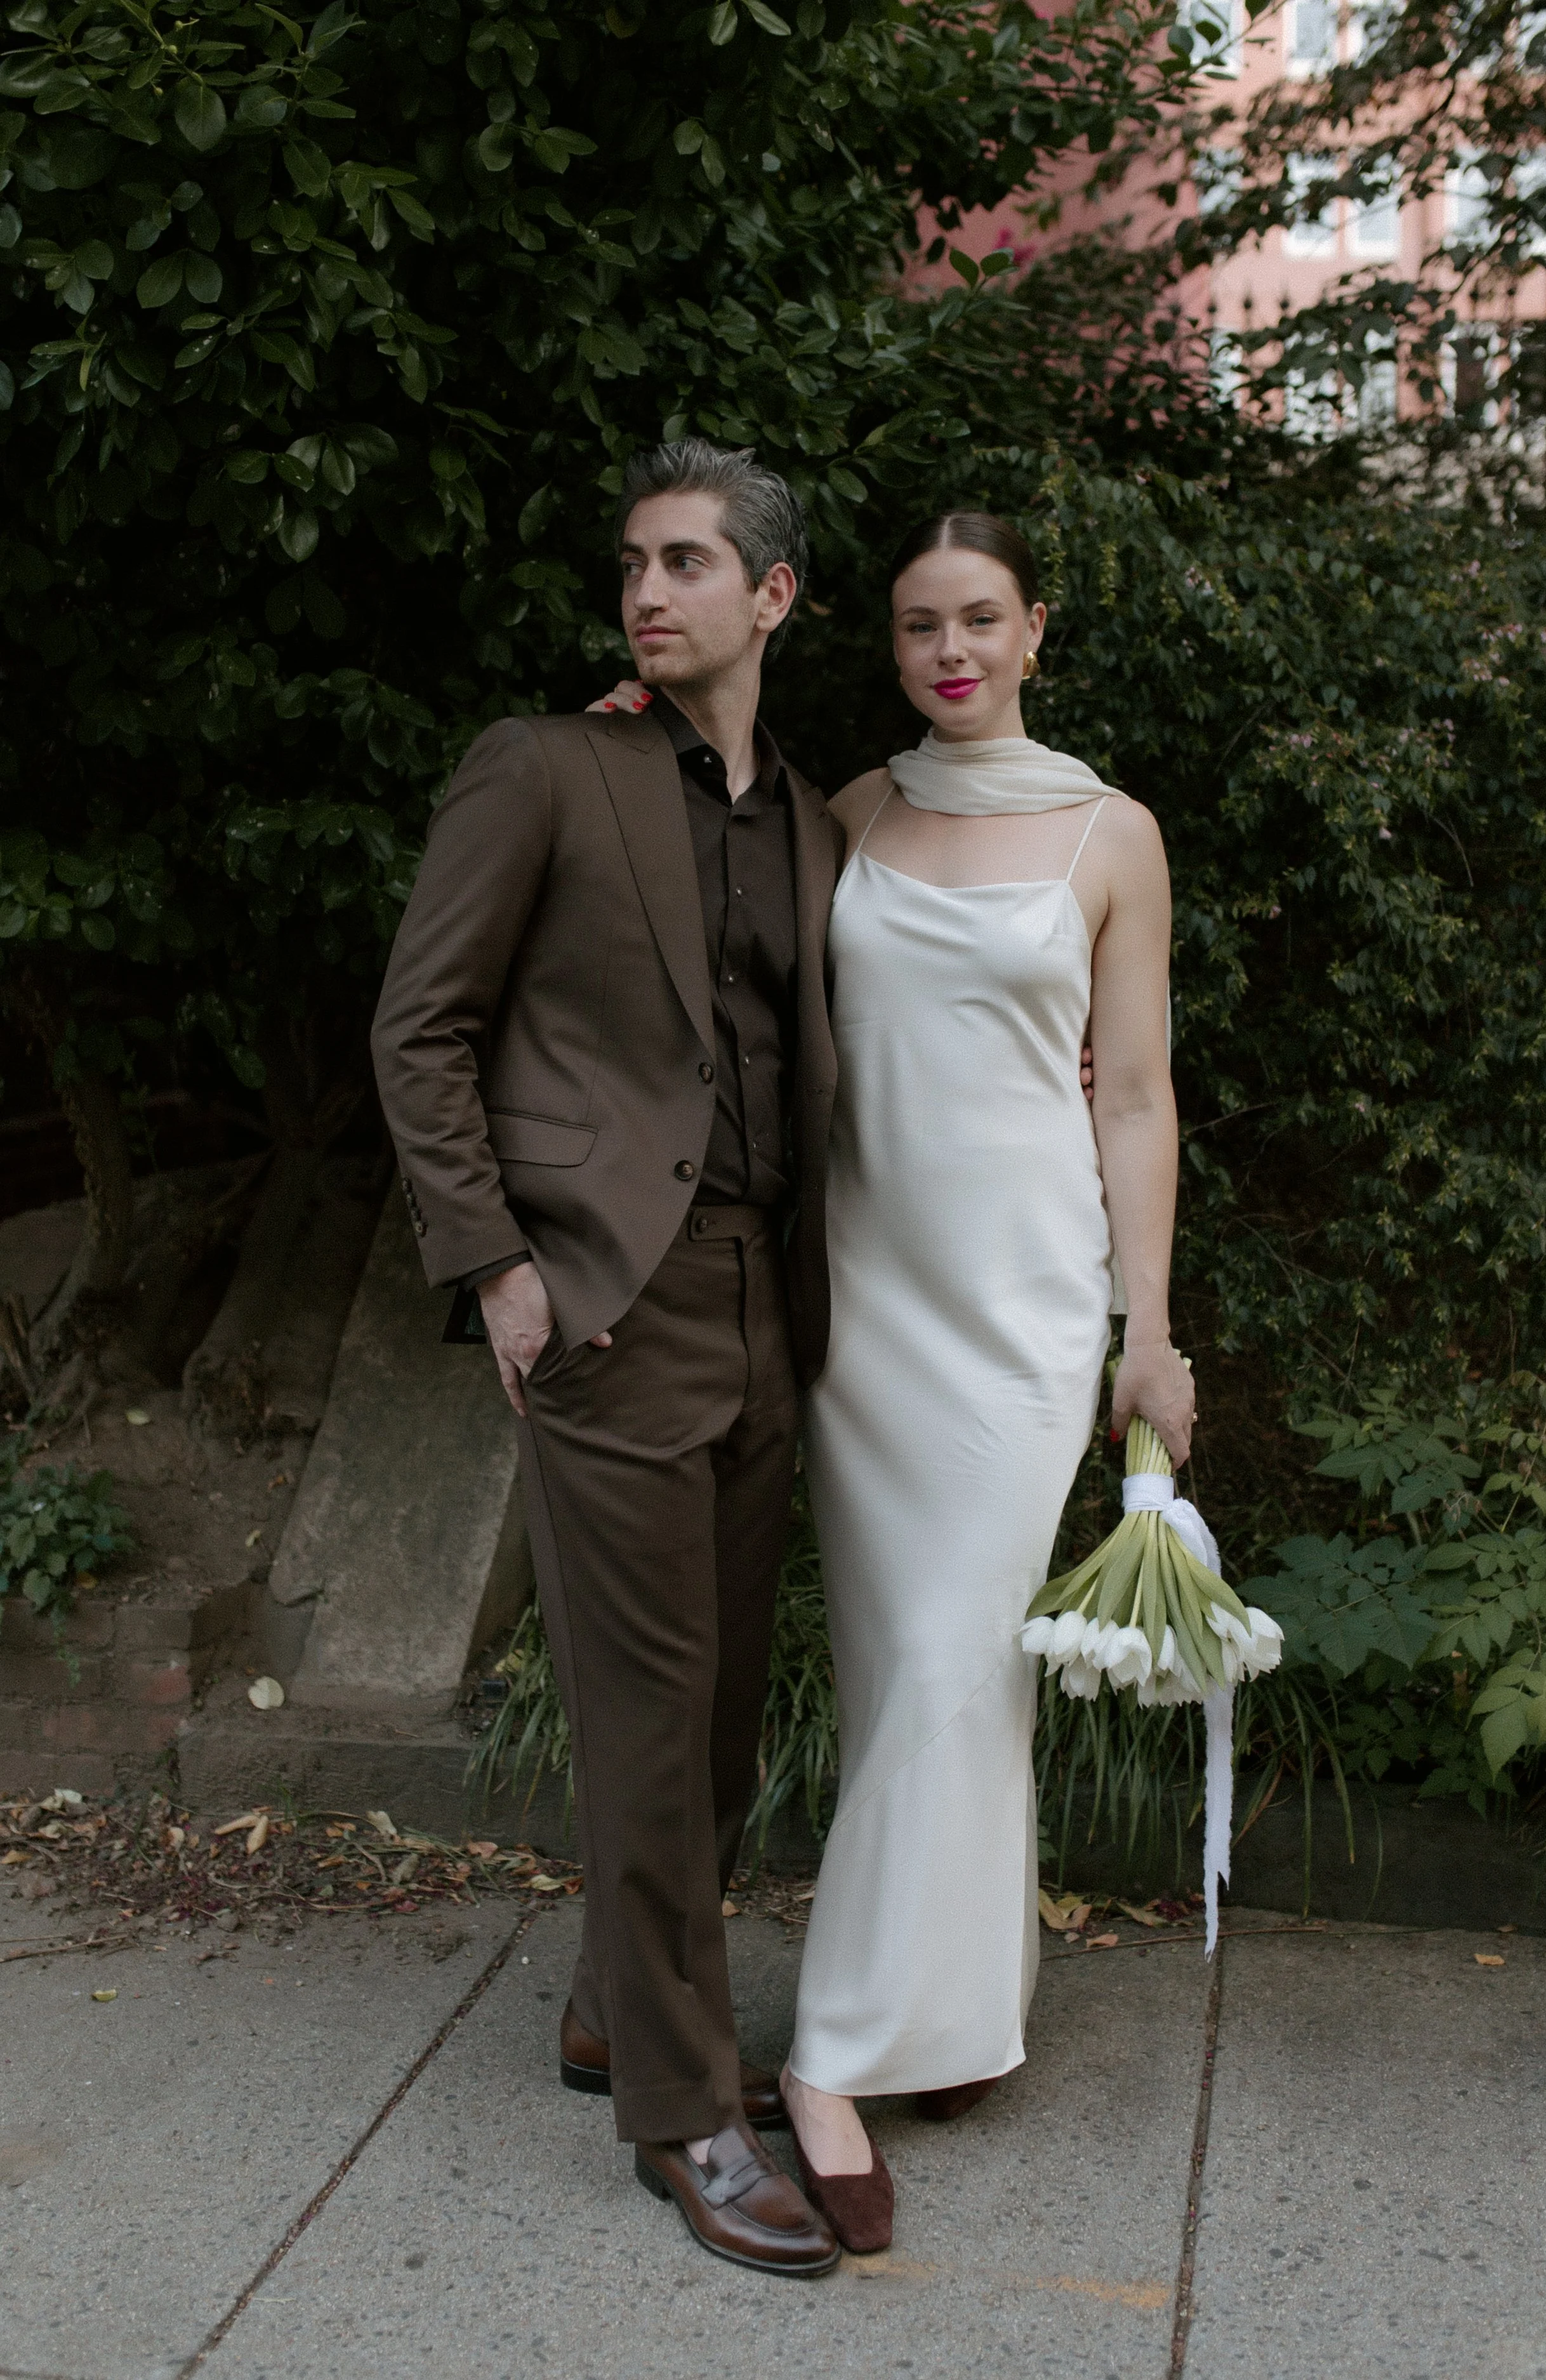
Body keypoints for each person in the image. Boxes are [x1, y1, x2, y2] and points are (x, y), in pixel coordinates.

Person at [591, 506, 1188, 2257]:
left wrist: (1144, 1332)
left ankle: (838, 2052)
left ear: (1033, 631)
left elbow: (1134, 1092)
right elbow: (713, 946)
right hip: (856, 1302)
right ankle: (962, 2007)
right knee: (909, 1671)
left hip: (1017, 1305)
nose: (948, 648)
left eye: (980, 618)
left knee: (950, 1654)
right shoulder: (845, 814)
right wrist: (638, 752)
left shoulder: (1109, 836)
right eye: (921, 621)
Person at [370, 439, 846, 2280]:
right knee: (648, 1725)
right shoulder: (545, 766)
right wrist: (494, 1265)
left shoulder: (814, 815)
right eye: (633, 565)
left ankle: (604, 2009)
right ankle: (686, 2113)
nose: (647, 594)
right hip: (603, 1309)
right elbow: (422, 1026)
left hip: (764, 1308)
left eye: (685, 565)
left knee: (716, 1723)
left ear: (772, 596)